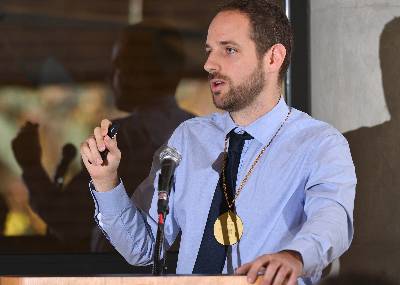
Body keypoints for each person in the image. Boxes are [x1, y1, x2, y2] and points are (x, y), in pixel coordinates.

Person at [81, 1, 356, 285]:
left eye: (229, 50)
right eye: (209, 51)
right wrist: (106, 182)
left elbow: (332, 221)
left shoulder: (319, 144)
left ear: (273, 57)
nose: (209, 64)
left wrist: (294, 257)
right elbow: (144, 247)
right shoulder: (188, 138)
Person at [11, 22, 192, 251]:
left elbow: (68, 222)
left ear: (139, 72)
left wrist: (31, 166)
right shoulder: (197, 131)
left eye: (119, 65)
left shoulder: (120, 138)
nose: (109, 77)